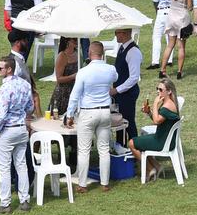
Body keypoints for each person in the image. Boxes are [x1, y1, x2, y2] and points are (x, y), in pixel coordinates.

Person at [65, 41, 118, 193]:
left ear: (89, 53)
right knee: (104, 149)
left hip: (88, 112)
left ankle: (82, 184)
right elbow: (115, 77)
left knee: (84, 150)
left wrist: (69, 114)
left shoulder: (83, 72)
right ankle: (105, 183)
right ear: (102, 54)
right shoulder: (110, 69)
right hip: (104, 111)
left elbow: (74, 96)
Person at [0, 55, 33, 214]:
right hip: (21, 128)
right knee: (21, 165)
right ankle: (24, 201)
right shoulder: (24, 84)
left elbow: (2, 113)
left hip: (7, 129)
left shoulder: (5, 88)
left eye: (0, 68)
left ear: (9, 69)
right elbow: (30, 107)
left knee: (4, 168)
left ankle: (5, 203)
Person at [161, 0, 193, 79]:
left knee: (170, 45)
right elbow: (189, 7)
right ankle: (179, 72)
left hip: (171, 18)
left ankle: (162, 69)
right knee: (181, 47)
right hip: (182, 19)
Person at [112, 27, 142, 142]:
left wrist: (117, 90)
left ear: (123, 33)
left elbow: (134, 78)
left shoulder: (133, 52)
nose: (115, 35)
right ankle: (120, 146)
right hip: (120, 92)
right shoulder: (122, 48)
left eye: (116, 32)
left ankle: (136, 148)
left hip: (127, 94)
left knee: (128, 122)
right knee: (119, 122)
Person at [47, 37, 79, 119]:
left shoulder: (77, 53)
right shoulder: (62, 56)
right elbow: (59, 79)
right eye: (74, 40)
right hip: (62, 93)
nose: (77, 42)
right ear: (67, 42)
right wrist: (73, 76)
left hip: (74, 90)